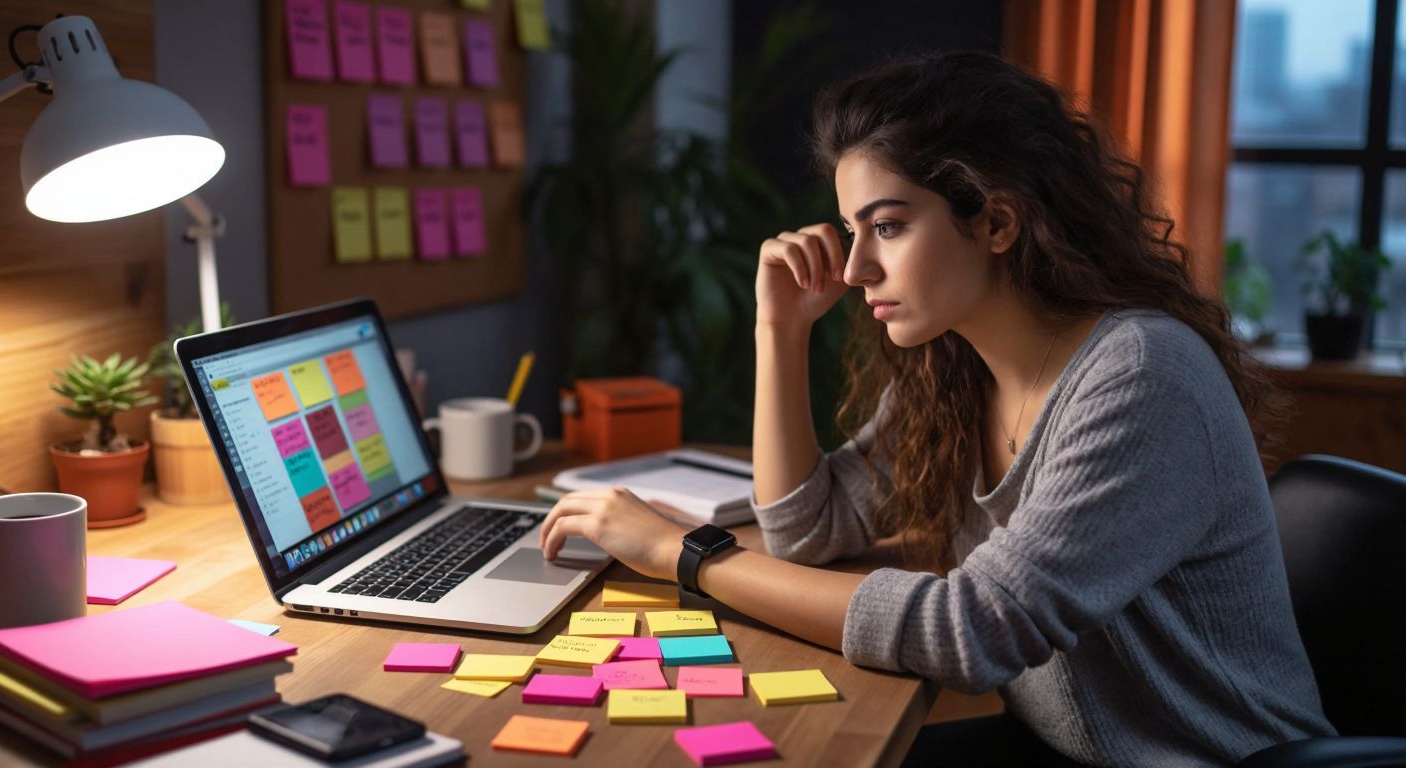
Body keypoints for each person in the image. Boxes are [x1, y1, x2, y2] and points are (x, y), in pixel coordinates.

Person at [538, 51, 1334, 766]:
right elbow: (806, 531)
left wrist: (685, 552)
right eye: (852, 230)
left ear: (995, 220)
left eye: (887, 226)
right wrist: (777, 331)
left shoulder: (1140, 374)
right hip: (1065, 751)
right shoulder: (959, 366)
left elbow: (972, 631)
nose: (854, 268)